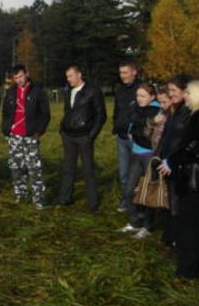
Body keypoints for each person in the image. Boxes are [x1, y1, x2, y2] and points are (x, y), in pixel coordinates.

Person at [159, 80, 199, 278]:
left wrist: (172, 161)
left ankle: (188, 270)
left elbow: (192, 146)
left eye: (188, 93)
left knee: (190, 226)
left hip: (194, 178)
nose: (185, 96)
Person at [58, 65, 107, 213]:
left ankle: (93, 204)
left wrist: (91, 135)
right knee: (68, 169)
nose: (68, 79)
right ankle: (65, 199)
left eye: (71, 76)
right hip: (68, 136)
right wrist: (62, 130)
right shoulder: (68, 91)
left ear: (79, 75)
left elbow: (101, 115)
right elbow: (67, 112)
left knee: (88, 170)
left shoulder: (93, 91)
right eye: (67, 76)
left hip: (84, 137)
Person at [1, 64, 51, 209]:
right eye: (16, 77)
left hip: (30, 135)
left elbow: (45, 114)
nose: (19, 80)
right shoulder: (10, 92)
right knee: (16, 167)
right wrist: (7, 130)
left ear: (27, 74)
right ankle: (20, 195)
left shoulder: (38, 91)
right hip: (14, 136)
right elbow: (5, 112)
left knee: (34, 168)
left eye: (21, 76)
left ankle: (38, 199)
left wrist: (39, 131)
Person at [117, 83, 161, 239]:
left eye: (143, 96)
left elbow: (147, 129)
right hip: (135, 153)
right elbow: (131, 121)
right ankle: (134, 221)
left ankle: (147, 226)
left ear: (152, 97)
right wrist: (134, 127)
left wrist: (139, 122)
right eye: (137, 96)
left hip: (149, 155)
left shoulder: (156, 110)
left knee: (149, 192)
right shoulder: (137, 108)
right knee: (129, 190)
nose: (139, 99)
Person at [157, 75, 192, 249]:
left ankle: (178, 239)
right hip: (166, 162)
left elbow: (186, 142)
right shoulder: (174, 111)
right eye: (169, 90)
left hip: (178, 164)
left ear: (185, 91)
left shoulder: (189, 113)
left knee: (177, 203)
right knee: (169, 202)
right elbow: (166, 137)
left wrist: (173, 161)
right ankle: (169, 236)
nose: (170, 94)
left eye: (174, 90)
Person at [113, 60, 141, 212]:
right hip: (121, 137)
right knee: (123, 172)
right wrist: (115, 128)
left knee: (137, 172)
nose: (122, 76)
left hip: (137, 138)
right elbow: (117, 111)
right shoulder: (119, 91)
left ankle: (140, 201)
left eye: (125, 72)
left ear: (134, 72)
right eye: (120, 73)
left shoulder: (141, 89)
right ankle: (126, 200)